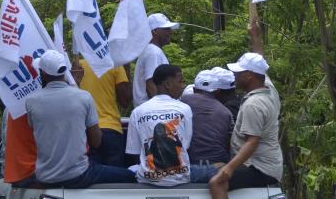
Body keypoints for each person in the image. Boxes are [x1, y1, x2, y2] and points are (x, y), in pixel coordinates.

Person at [198, 24, 283, 199]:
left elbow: (252, 143)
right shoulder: (269, 88)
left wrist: (229, 169)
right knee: (216, 170)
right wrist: (255, 37)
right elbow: (261, 62)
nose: (234, 76)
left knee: (216, 182)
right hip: (268, 163)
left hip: (260, 167)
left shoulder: (253, 105)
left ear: (249, 76)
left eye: (238, 72)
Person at [25, 50, 136, 187]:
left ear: (42, 73)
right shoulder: (83, 97)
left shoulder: (30, 102)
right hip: (79, 175)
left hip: (45, 177)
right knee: (130, 175)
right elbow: (96, 142)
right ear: (65, 70)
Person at [126, 64, 215, 186]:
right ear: (167, 84)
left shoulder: (137, 112)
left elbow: (134, 151)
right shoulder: (184, 109)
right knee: (219, 169)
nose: (182, 86)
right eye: (180, 81)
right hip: (182, 178)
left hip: (147, 179)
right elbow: (186, 145)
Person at [73, 58, 132, 167]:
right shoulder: (115, 64)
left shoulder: (77, 68)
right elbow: (125, 101)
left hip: (86, 131)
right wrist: (126, 67)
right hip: (111, 129)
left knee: (91, 179)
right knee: (115, 179)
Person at [180, 70, 233, 167]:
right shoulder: (226, 112)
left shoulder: (182, 102)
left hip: (187, 165)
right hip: (217, 166)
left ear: (195, 89)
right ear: (218, 91)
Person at [133, 13, 179, 106]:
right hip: (151, 111)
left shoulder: (151, 50)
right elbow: (151, 85)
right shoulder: (153, 52)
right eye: (166, 29)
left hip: (149, 110)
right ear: (155, 31)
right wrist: (159, 110)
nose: (170, 32)